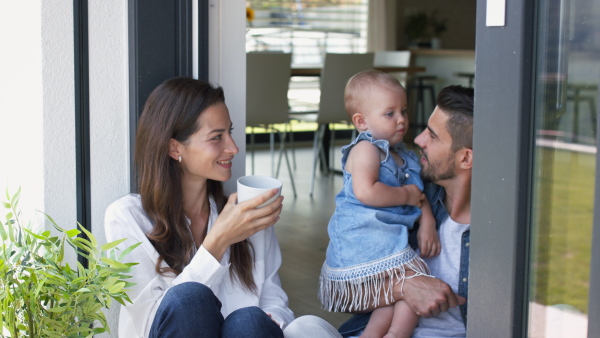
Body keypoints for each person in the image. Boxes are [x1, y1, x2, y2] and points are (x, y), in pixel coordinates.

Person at [104, 77, 342, 338]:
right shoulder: (127, 218)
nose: (234, 147)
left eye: (230, 132)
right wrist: (218, 240)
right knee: (187, 299)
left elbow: (276, 304)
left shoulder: (246, 214)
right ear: (174, 148)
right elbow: (152, 325)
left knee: (249, 321)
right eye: (217, 137)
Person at [337, 85, 474, 338]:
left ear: (466, 158)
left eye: (433, 136)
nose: (419, 139)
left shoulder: (500, 236)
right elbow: (345, 298)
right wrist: (403, 288)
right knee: (305, 327)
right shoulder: (403, 199)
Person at [319, 70, 440, 338]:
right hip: (364, 239)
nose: (401, 120)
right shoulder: (366, 150)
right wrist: (405, 197)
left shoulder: (404, 157)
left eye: (404, 111)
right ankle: (395, 334)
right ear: (361, 121)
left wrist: (427, 223)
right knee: (410, 282)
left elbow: (419, 194)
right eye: (390, 113)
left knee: (393, 293)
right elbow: (366, 191)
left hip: (389, 238)